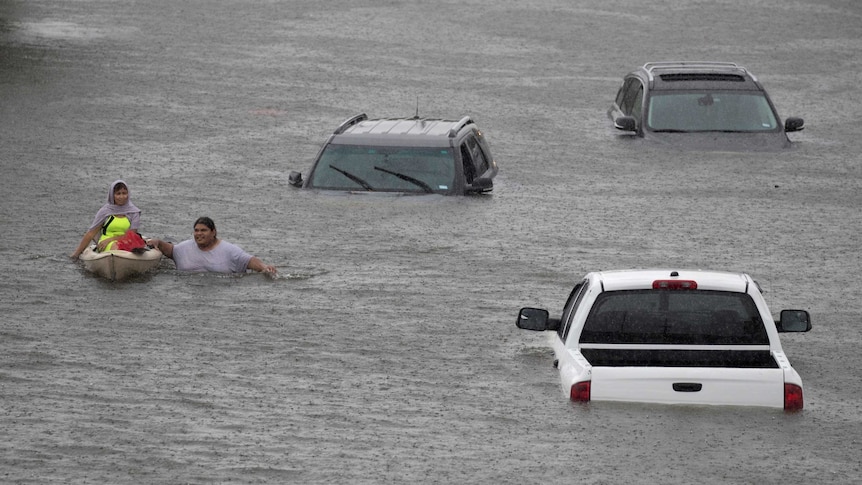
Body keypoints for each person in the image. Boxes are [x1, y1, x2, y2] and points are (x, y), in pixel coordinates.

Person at [147, 217, 276, 274]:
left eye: (203, 230)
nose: (199, 234)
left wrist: (265, 268)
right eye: (196, 230)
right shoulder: (183, 248)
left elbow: (249, 260)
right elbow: (169, 249)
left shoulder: (229, 250)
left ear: (213, 232)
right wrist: (156, 242)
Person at [71, 180, 142, 259]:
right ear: (112, 195)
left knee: (120, 246)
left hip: (126, 241)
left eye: (124, 193)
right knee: (115, 246)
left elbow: (132, 235)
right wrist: (76, 254)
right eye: (118, 194)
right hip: (105, 241)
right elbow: (91, 234)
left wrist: (112, 239)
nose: (122, 197)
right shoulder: (105, 212)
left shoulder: (134, 212)